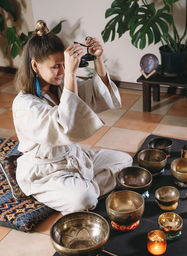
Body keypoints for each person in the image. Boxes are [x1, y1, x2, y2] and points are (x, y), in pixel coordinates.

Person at [13, 20, 133, 215]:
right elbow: (64, 125)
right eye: (55, 67)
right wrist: (70, 73)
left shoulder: (59, 87)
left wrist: (98, 60)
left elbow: (95, 94)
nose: (61, 71)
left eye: (63, 65)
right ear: (35, 65)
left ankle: (84, 186)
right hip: (47, 172)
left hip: (75, 156)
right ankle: (84, 191)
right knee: (83, 199)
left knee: (124, 161)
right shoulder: (24, 104)